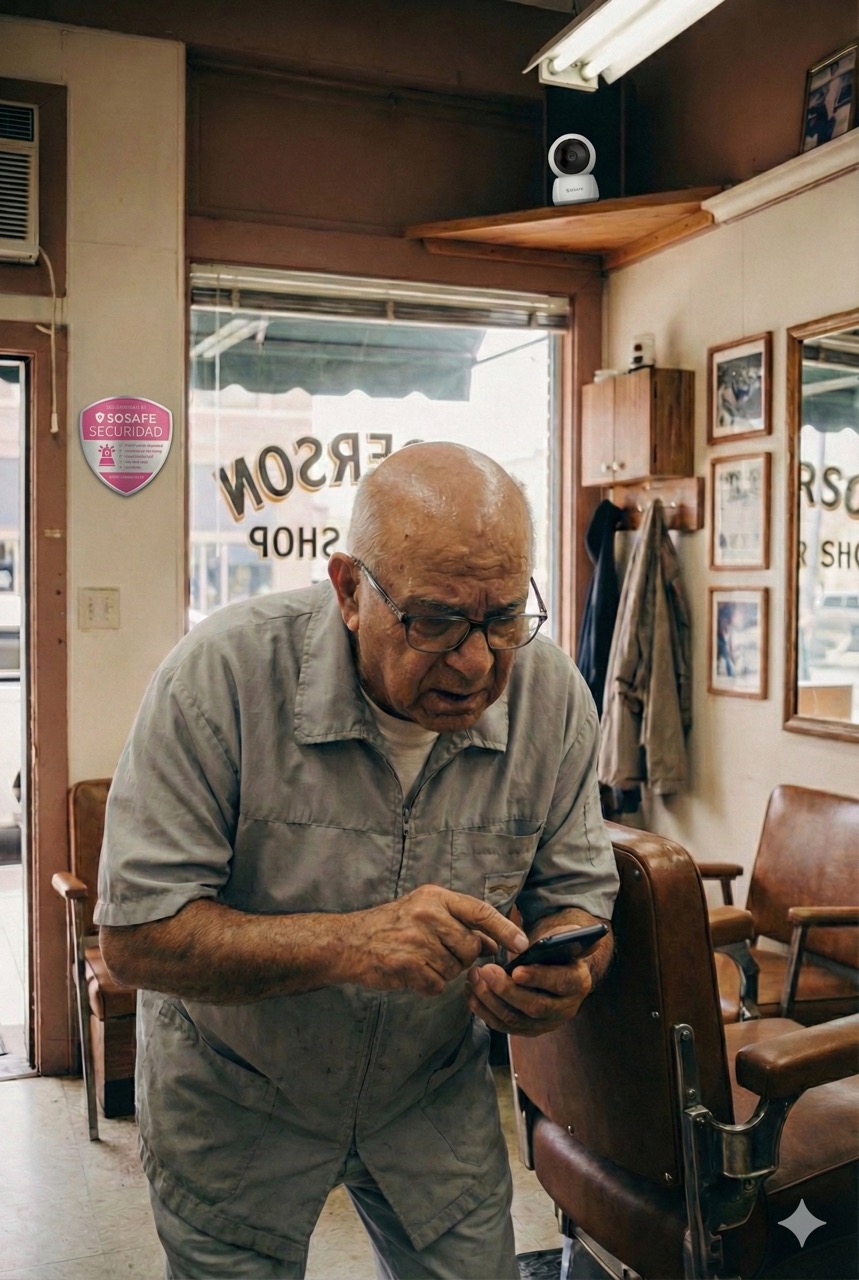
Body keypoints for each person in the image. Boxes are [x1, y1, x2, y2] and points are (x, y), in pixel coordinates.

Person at [96, 441, 619, 1280]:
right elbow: (136, 937)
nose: (479, 661)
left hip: (427, 1094)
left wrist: (566, 968)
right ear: (347, 589)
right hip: (237, 1095)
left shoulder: (550, 698)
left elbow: (580, 902)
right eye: (435, 620)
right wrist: (351, 943)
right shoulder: (221, 676)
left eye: (502, 618)